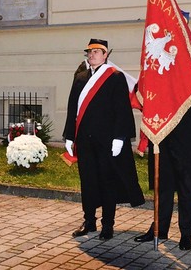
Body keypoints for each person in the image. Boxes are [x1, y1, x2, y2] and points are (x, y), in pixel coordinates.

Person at [63, 38, 145, 241]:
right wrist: (69, 135)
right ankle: (89, 220)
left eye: (97, 52)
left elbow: (121, 109)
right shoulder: (80, 77)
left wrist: (120, 137)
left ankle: (108, 224)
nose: (92, 55)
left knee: (108, 182)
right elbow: (73, 107)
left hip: (107, 140)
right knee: (88, 181)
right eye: (89, 52)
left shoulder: (115, 77)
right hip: (84, 140)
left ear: (105, 54)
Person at [133, 50, 191, 250]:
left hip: (186, 131)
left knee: (186, 185)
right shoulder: (158, 51)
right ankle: (159, 228)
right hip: (162, 131)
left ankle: (186, 233)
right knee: (163, 184)